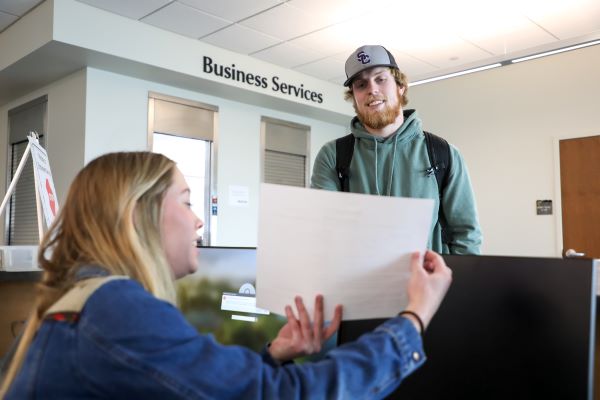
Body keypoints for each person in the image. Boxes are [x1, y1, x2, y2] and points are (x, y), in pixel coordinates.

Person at [1, 152, 452, 399]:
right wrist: (413, 319)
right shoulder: (115, 310)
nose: (199, 221)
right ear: (139, 213)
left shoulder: (75, 301)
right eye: (187, 200)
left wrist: (275, 353)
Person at [311, 44, 482, 254]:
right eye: (361, 84)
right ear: (354, 96)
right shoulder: (333, 156)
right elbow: (324, 232)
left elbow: (466, 235)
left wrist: (457, 285)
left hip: (426, 284)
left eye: (380, 79)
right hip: (358, 284)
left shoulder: (443, 154)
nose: (372, 89)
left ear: (400, 86)